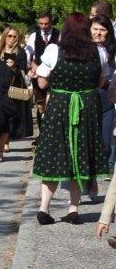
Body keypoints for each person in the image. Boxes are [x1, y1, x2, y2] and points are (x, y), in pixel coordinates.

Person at [32, 12, 107, 225]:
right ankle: (73, 208)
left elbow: (42, 83)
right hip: (87, 106)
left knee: (54, 153)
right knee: (81, 153)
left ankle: (44, 207)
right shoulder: (99, 52)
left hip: (60, 106)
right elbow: (100, 82)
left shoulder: (54, 50)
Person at [0, 26, 30, 162]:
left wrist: (14, 67)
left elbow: (23, 72)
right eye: (9, 36)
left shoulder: (21, 53)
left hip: (12, 91)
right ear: (5, 37)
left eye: (15, 36)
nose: (12, 39)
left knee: (5, 121)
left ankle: (0, 151)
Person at [26, 11, 61, 127]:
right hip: (38, 74)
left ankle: (52, 129)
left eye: (46, 24)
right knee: (40, 105)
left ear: (51, 22)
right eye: (41, 24)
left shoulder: (59, 35)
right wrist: (31, 66)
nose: (43, 26)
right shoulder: (34, 36)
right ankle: (42, 130)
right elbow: (28, 53)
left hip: (54, 74)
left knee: (53, 102)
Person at [90, 15, 116, 167]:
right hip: (87, 99)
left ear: (109, 32)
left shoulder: (112, 51)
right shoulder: (82, 50)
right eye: (95, 29)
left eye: (102, 30)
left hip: (107, 100)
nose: (98, 33)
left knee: (105, 143)